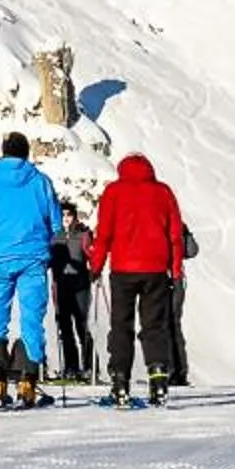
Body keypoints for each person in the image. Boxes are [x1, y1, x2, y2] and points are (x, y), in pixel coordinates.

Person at [0, 135, 62, 406]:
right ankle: (27, 380)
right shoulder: (40, 180)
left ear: (3, 152)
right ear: (26, 153)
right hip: (32, 257)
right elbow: (55, 221)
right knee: (31, 317)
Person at [88, 152, 189, 408]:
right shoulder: (163, 192)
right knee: (154, 327)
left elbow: (104, 234)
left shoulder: (113, 192)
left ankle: (120, 382)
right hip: (156, 269)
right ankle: (158, 381)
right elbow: (175, 234)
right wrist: (175, 271)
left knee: (121, 326)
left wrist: (95, 266)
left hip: (123, 269)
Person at [47, 201, 97, 384]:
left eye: (69, 215)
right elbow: (48, 259)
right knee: (64, 328)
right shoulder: (54, 236)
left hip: (80, 285)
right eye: (62, 215)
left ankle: (90, 366)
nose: (66, 219)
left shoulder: (83, 234)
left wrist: (94, 270)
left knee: (82, 326)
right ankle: (71, 367)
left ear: (74, 217)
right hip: (61, 286)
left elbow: (92, 254)